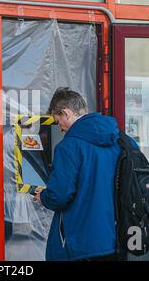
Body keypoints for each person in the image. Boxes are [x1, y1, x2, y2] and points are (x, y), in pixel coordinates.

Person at [34, 87, 134, 261]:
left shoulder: (68, 147)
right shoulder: (123, 140)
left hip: (82, 244)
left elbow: (60, 195)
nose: (60, 128)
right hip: (119, 239)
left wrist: (43, 197)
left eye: (58, 121)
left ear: (66, 113)